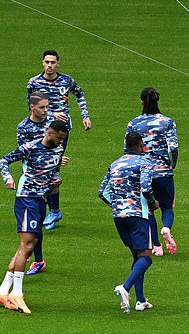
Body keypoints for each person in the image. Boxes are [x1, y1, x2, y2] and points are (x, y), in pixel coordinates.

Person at [0, 120, 68, 314]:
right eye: (58, 138)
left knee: (27, 246)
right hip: (27, 200)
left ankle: (2, 291)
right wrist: (7, 178)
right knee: (26, 245)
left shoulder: (58, 152)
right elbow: (4, 160)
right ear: (49, 133)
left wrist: (54, 181)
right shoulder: (30, 148)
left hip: (41, 200)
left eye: (63, 139)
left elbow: (50, 174)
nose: (61, 143)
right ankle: (16, 293)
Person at [27, 50, 91, 230]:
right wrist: (51, 115)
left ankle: (53, 211)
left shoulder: (66, 80)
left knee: (52, 170)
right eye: (47, 62)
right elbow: (30, 107)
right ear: (42, 63)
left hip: (61, 133)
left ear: (58, 64)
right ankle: (51, 210)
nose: (49, 65)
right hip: (41, 130)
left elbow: (80, 94)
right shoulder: (34, 83)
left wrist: (85, 116)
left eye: (53, 62)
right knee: (41, 169)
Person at [99, 132, 158, 313]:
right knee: (146, 257)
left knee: (137, 257)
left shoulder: (114, 164)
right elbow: (146, 187)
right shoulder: (144, 163)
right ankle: (125, 288)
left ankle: (140, 301)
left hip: (119, 216)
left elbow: (102, 192)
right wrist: (152, 202)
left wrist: (117, 206)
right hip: (138, 215)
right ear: (140, 145)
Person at [16, 92, 68, 275]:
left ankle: (35, 257)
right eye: (43, 107)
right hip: (32, 178)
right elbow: (23, 154)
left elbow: (60, 141)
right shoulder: (23, 127)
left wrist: (56, 158)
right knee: (34, 223)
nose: (46, 110)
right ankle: (35, 257)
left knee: (37, 220)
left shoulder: (52, 122)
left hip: (48, 174)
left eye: (48, 106)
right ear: (32, 107)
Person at [126, 87, 178, 256]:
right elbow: (173, 148)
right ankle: (166, 228)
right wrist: (171, 164)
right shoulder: (168, 122)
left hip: (143, 171)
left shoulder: (133, 124)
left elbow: (127, 149)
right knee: (167, 207)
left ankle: (156, 246)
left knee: (148, 209)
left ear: (141, 102)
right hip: (163, 172)